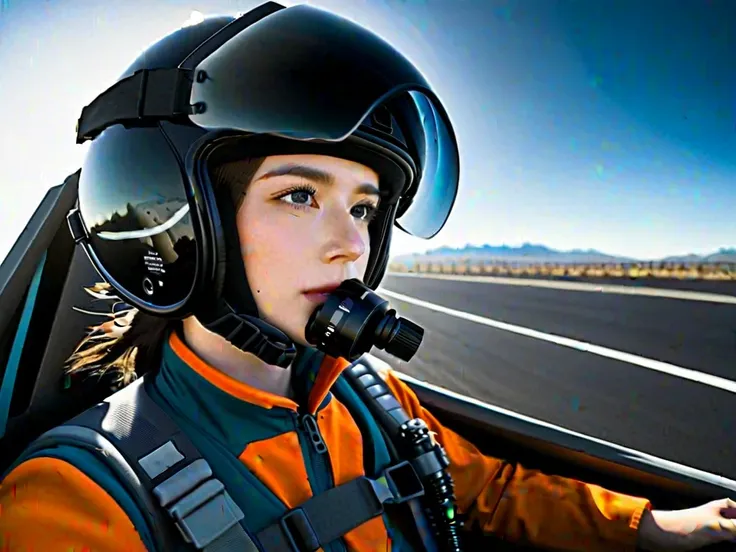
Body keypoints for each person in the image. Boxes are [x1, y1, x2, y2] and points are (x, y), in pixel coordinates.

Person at [1, 3, 734, 552]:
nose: (349, 244)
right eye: (298, 195)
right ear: (189, 226)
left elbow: (481, 486)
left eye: (364, 208)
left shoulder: (369, 396)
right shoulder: (78, 501)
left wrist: (647, 524)